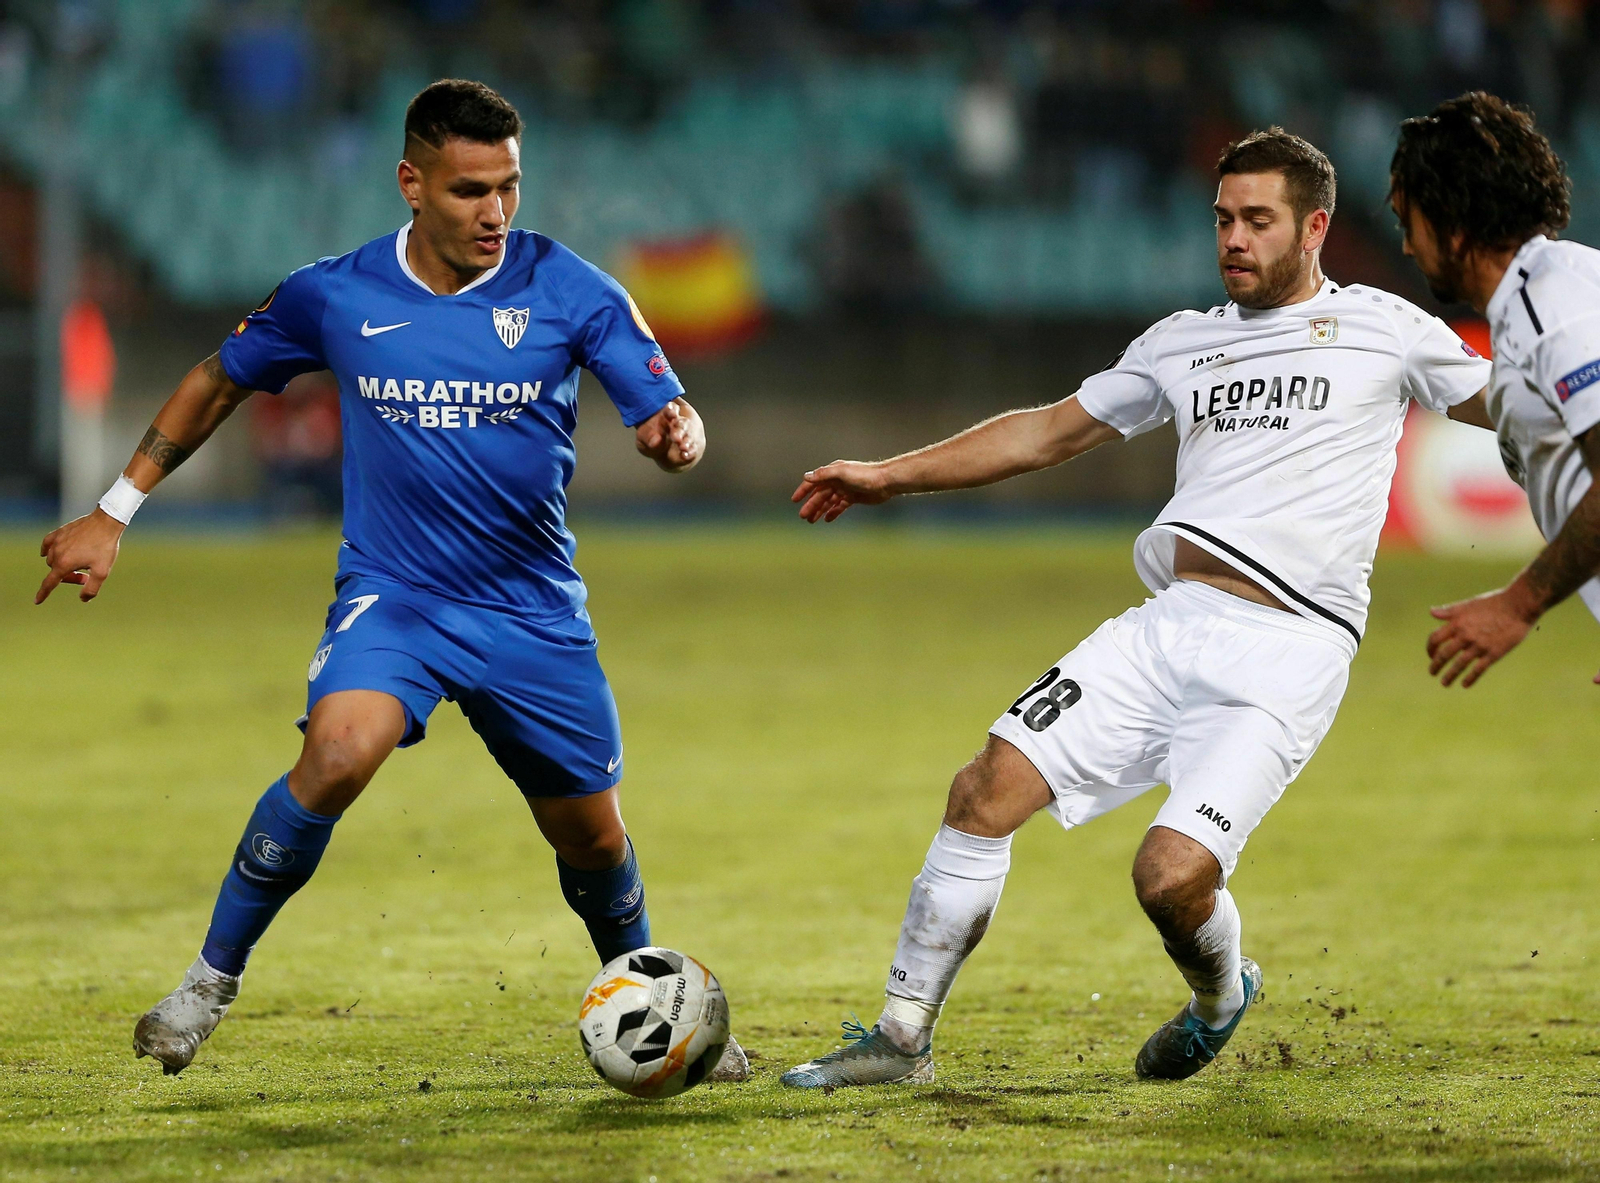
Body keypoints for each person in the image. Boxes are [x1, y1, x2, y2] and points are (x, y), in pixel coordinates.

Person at [35, 79, 748, 1083]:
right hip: (396, 598)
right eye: (467, 190)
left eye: (507, 187)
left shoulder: (573, 289)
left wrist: (678, 437)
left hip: (530, 611)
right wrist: (115, 508)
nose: (494, 213)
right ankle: (205, 985)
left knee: (592, 839)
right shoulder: (336, 294)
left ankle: (650, 1000)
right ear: (411, 183)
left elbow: (675, 414)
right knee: (338, 749)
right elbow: (217, 378)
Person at [780, 128, 1492, 1088]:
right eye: (1222, 220)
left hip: (1288, 653)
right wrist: (888, 476)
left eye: (1258, 220)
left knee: (1169, 879)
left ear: (1316, 226)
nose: (1233, 238)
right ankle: (900, 1038)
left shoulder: (1385, 328)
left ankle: (1218, 995)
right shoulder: (1181, 341)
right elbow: (1043, 433)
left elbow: (1512, 409)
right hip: (1168, 626)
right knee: (982, 790)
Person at [1390, 90, 1600, 688]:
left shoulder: (1552, 311)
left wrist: (1518, 605)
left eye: (1413, 223)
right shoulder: (1545, 296)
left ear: (1455, 226)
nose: (1406, 245)